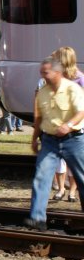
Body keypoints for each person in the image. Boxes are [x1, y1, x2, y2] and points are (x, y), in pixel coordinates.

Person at [24, 57, 84, 230]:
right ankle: (37, 218)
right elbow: (39, 118)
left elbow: (81, 112)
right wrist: (34, 138)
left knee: (82, 178)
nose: (43, 76)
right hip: (49, 140)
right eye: (41, 73)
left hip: (74, 139)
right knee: (41, 176)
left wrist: (68, 125)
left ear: (57, 72)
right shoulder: (42, 92)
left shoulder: (72, 89)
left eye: (46, 73)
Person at [48, 46, 84, 202]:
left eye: (57, 58)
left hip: (75, 126)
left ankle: (73, 191)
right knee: (59, 160)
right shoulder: (57, 77)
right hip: (58, 125)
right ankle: (61, 188)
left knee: (75, 162)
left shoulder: (80, 78)